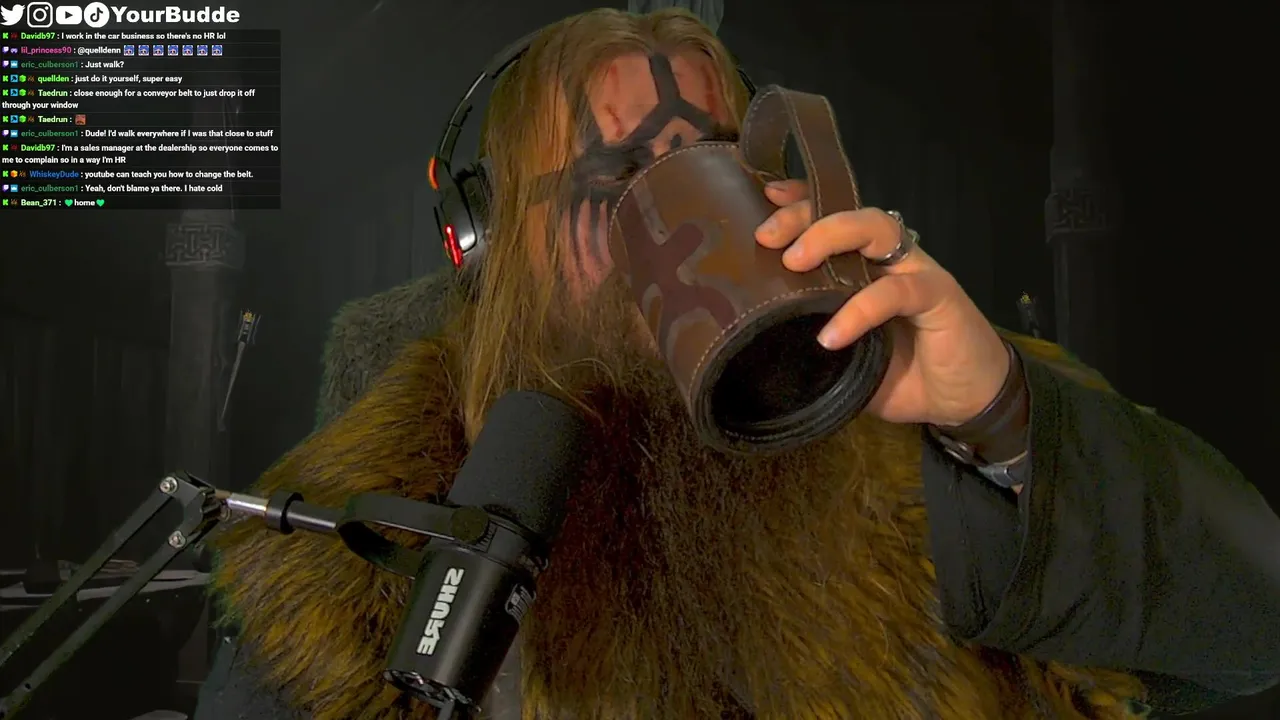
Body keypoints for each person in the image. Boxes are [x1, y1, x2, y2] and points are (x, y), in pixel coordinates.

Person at [196, 8, 1280, 720]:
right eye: (617, 176)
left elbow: (1245, 630)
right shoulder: (375, 529)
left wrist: (1002, 422)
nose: (681, 220)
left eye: (712, 167)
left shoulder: (907, 424)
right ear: (489, 239)